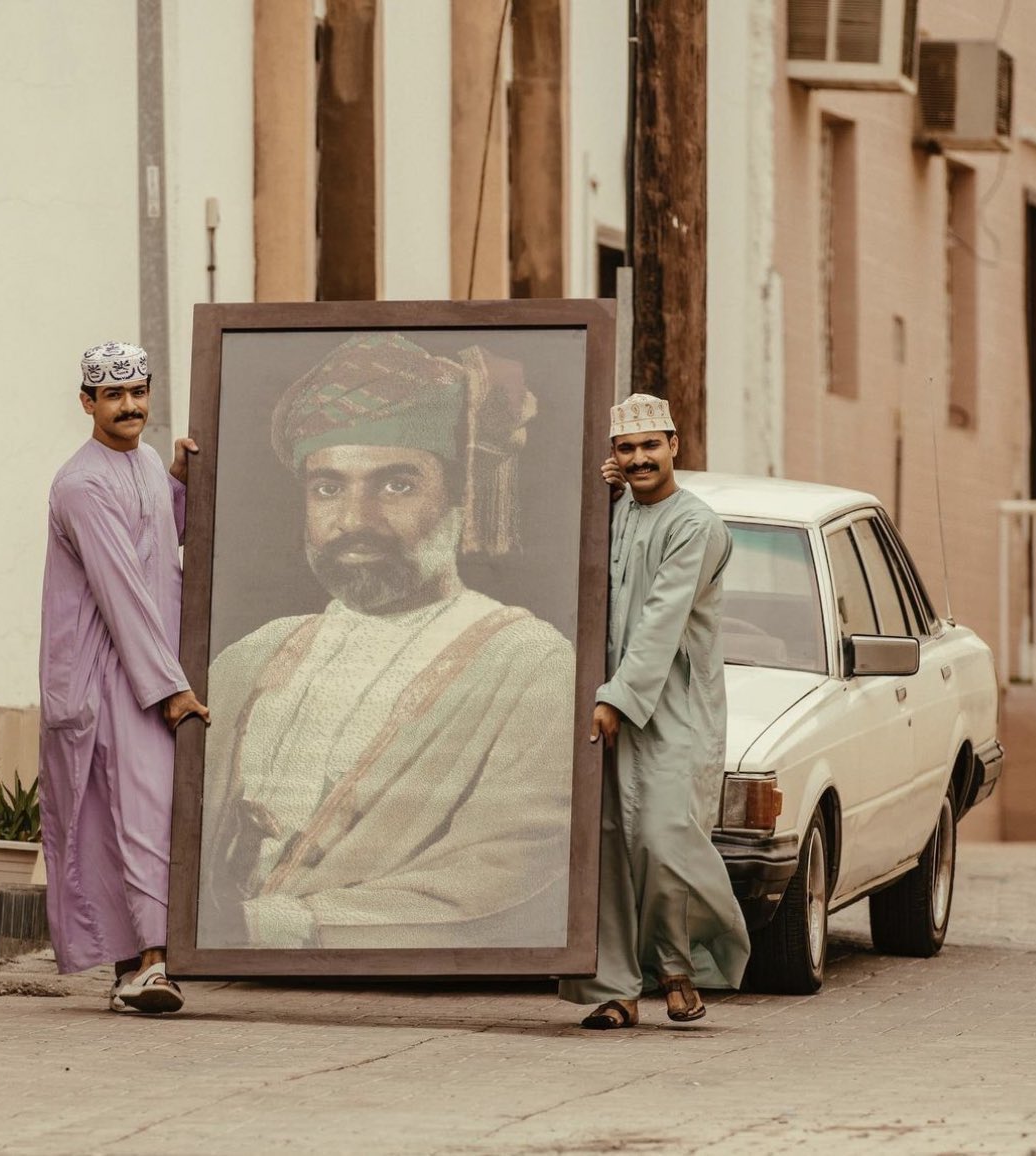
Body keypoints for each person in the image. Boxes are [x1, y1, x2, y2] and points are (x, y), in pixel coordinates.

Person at [198, 332, 575, 952]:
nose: (354, 520)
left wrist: (270, 927)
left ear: (461, 498)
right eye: (328, 488)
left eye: (395, 485)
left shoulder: (529, 663)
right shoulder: (252, 657)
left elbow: (508, 870)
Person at [560, 393, 750, 1029]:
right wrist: (604, 502)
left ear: (675, 446)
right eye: (626, 448)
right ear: (614, 456)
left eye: (650, 445)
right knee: (607, 844)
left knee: (664, 839)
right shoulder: (615, 515)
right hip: (602, 703)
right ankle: (614, 990)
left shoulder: (694, 525)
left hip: (669, 707)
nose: (640, 458)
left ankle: (679, 968)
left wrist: (617, 697)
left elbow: (662, 619)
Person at [39, 341, 209, 1014]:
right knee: (135, 814)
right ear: (88, 402)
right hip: (107, 674)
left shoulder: (138, 464)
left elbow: (162, 538)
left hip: (146, 667)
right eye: (114, 395)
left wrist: (178, 480)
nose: (130, 405)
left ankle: (139, 966)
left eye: (138, 392)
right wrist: (169, 691)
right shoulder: (81, 483)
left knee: (135, 814)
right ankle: (149, 964)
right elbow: (121, 589)